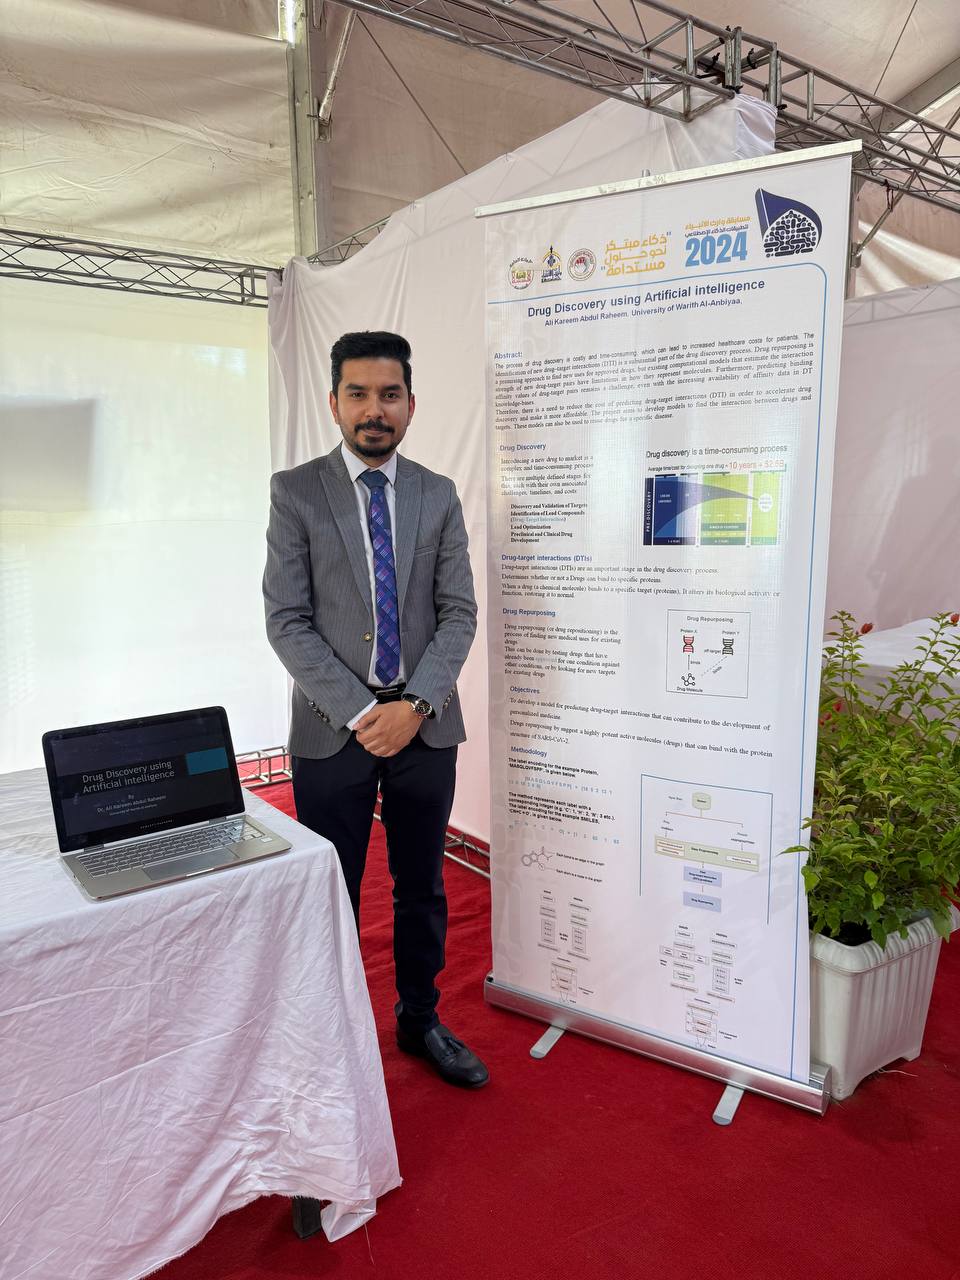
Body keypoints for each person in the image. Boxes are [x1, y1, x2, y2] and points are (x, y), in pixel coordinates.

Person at [263, 330, 488, 1089]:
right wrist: (364, 712)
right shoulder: (296, 492)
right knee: (333, 890)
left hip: (426, 724)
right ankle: (332, 1034)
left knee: (423, 885)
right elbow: (286, 620)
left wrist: (415, 705)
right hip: (334, 730)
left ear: (411, 405)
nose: (374, 410)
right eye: (357, 394)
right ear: (334, 403)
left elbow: (458, 613)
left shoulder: (436, 492)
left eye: (389, 395)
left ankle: (420, 1020)